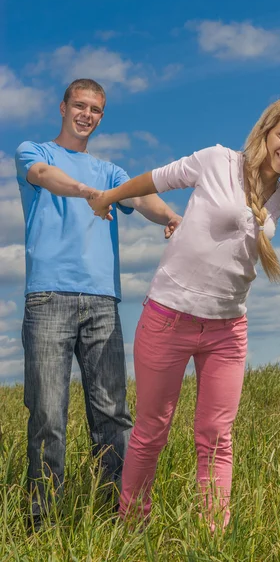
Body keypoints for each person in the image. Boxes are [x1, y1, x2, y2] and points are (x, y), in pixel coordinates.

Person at [88, 95, 280, 530]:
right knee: (152, 430)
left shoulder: (278, 198)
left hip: (228, 330)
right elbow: (157, 179)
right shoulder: (216, 160)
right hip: (169, 317)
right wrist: (109, 195)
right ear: (265, 131)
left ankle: (212, 538)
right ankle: (131, 527)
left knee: (217, 438)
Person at [15, 78, 181, 528]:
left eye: (96, 109)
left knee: (112, 412)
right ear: (63, 106)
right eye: (80, 106)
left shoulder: (109, 170)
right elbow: (45, 179)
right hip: (48, 298)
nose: (87, 114)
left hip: (102, 302)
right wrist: (90, 194)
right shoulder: (36, 151)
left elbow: (141, 196)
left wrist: (168, 216)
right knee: (48, 413)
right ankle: (42, 522)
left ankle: (119, 517)